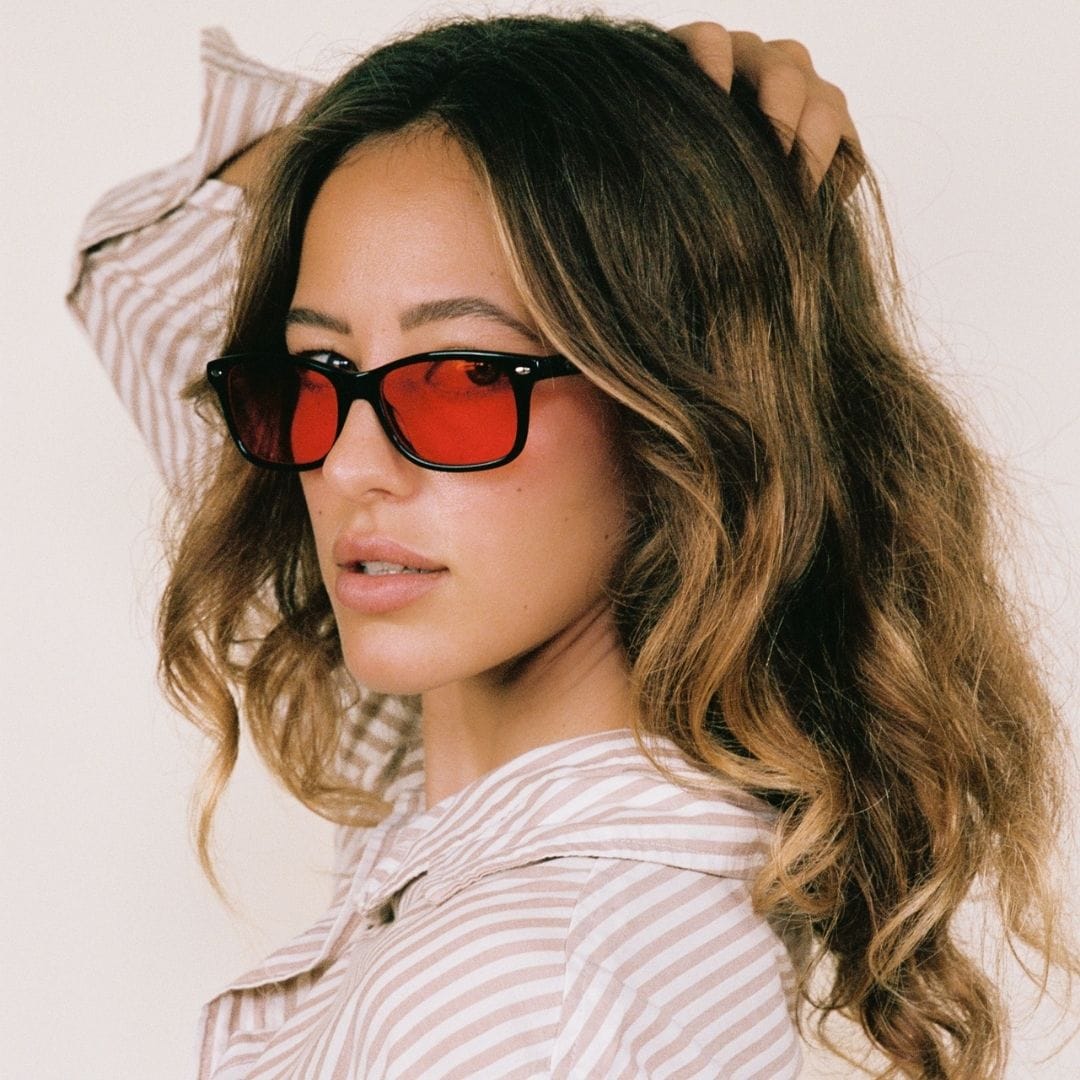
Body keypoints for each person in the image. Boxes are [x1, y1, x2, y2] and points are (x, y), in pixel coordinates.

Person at [66, 14, 1073, 1080]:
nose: (351, 464)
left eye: (462, 377)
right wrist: (560, 122)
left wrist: (625, 155)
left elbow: (142, 253)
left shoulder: (518, 1002)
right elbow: (140, 265)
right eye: (316, 374)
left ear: (679, 415)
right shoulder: (455, 781)